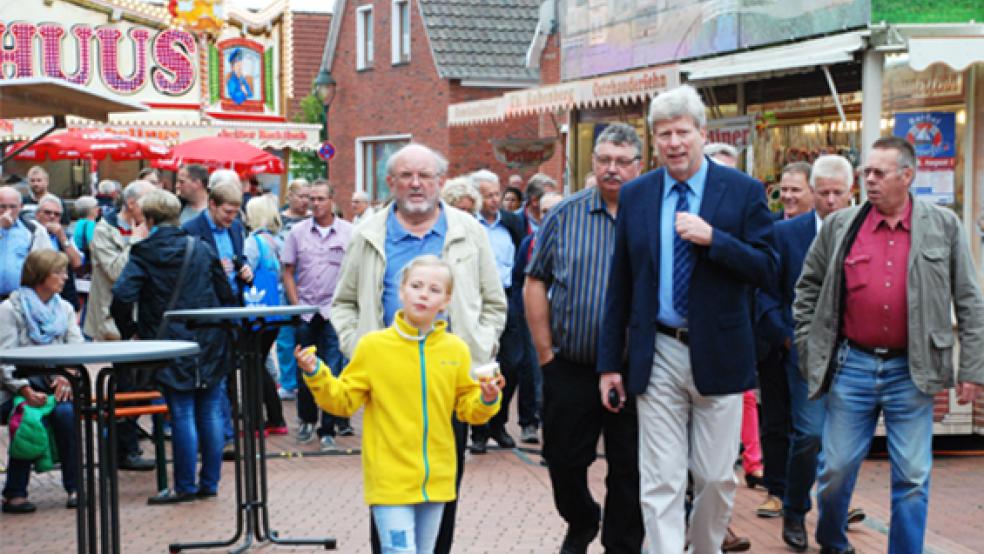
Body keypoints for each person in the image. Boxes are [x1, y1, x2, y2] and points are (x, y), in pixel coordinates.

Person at [596, 85, 777, 553]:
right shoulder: (638, 194)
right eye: (663, 135)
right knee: (660, 480)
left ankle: (704, 547)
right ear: (653, 141)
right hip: (658, 351)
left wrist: (715, 238)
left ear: (701, 132)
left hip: (720, 352)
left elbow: (768, 267)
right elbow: (621, 284)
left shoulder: (742, 191)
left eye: (682, 132)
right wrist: (609, 364)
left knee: (716, 478)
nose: (673, 143)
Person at [794, 136, 984, 553]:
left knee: (913, 477)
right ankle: (832, 541)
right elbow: (807, 289)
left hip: (912, 371)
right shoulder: (843, 226)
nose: (869, 180)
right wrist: (810, 347)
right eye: (865, 172)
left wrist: (972, 369)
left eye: (879, 173)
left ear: (907, 175)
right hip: (852, 366)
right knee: (836, 471)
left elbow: (969, 300)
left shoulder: (943, 226)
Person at [330, 143, 506, 554]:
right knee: (388, 490)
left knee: (443, 490)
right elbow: (343, 302)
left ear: (441, 182)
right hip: (388, 384)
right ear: (390, 182)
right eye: (405, 175)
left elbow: (494, 302)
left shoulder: (469, 231)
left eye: (425, 175)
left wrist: (478, 346)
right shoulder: (369, 233)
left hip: (450, 379)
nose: (415, 184)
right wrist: (358, 347)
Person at [297, 255, 503, 554]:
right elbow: (342, 401)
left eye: (434, 289)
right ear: (401, 290)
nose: (423, 294)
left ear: (446, 300)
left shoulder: (456, 349)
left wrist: (488, 397)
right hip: (389, 479)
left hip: (437, 480)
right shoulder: (373, 346)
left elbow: (467, 409)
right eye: (416, 285)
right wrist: (317, 373)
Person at [525, 122, 645, 554]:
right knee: (562, 458)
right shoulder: (564, 214)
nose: (612, 169)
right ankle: (581, 518)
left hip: (635, 370)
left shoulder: (652, 215)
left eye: (621, 161)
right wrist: (545, 355)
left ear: (638, 165)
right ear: (592, 162)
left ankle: (622, 544)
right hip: (572, 364)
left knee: (629, 468)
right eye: (604, 160)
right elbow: (535, 281)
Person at [755, 155, 862, 550]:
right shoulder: (785, 235)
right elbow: (766, 292)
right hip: (803, 353)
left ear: (852, 192)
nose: (832, 200)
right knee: (810, 435)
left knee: (846, 447)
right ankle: (795, 509)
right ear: (813, 192)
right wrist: (787, 338)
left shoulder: (866, 230)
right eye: (824, 192)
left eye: (839, 193)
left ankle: (832, 526)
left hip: (858, 354)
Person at [111, 189, 237, 503]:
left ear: (149, 219)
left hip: (167, 340)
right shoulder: (202, 248)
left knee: (181, 411)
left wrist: (134, 331)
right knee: (209, 410)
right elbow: (224, 294)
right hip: (207, 338)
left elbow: (122, 296)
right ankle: (210, 482)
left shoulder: (144, 252)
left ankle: (185, 486)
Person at [0, 250, 82, 513]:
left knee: (67, 414)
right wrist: (23, 388)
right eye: (58, 272)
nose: (65, 278)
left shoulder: (65, 308)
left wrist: (67, 376)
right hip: (14, 386)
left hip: (53, 384)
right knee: (28, 414)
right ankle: (15, 492)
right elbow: (5, 359)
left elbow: (76, 349)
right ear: (40, 275)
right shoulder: (9, 309)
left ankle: (75, 487)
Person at [84, 180, 156, 471]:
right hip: (113, 321)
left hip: (142, 319)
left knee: (141, 381)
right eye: (147, 203)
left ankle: (125, 441)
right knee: (124, 383)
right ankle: (122, 450)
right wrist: (137, 241)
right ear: (130, 203)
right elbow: (116, 272)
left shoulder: (150, 228)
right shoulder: (103, 231)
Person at [282, 179, 355, 450]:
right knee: (305, 368)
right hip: (307, 311)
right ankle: (306, 420)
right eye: (311, 199)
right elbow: (288, 270)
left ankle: (329, 428)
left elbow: (356, 271)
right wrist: (296, 304)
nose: (314, 204)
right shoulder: (298, 232)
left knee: (333, 369)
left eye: (320, 198)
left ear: (332, 200)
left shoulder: (349, 232)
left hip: (335, 312)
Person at [467, 169, 525, 454]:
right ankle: (479, 430)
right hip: (477, 300)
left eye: (496, 194)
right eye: (487, 195)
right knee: (482, 361)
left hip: (509, 297)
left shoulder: (512, 222)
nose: (493, 200)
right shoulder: (468, 225)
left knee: (512, 362)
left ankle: (499, 422)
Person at [511, 191, 562, 445]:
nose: (550, 216)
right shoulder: (529, 243)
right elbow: (519, 278)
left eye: (555, 209)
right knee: (535, 371)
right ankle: (534, 424)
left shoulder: (574, 240)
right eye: (544, 211)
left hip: (565, 320)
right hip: (535, 319)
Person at [242, 196, 289, 435]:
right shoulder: (279, 240)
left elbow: (245, 271)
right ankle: (275, 417)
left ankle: (261, 421)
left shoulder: (253, 241)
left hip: (256, 309)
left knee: (253, 364)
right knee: (259, 362)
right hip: (276, 309)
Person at [276, 179, 310, 401]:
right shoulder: (279, 219)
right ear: (290, 196)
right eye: (301, 196)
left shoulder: (314, 220)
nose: (305, 201)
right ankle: (288, 382)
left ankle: (308, 379)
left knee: (308, 335)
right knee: (286, 335)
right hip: (285, 282)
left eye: (308, 196)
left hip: (309, 283)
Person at [0, 186, 50, 302]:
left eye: (12, 206)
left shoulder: (33, 230)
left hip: (21, 299)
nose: (7, 211)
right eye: (2, 206)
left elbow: (47, 264)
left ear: (21, 207)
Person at [33, 194, 82, 311]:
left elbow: (77, 263)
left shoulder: (65, 236)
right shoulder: (29, 234)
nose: (52, 217)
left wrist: (62, 237)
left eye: (57, 214)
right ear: (37, 214)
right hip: (36, 294)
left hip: (63, 296)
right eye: (47, 212)